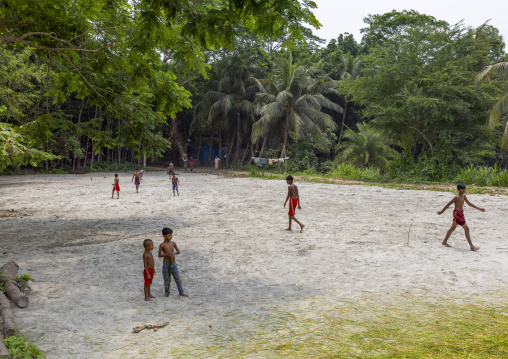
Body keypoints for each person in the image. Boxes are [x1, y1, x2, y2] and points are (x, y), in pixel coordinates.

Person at [437, 183, 485, 251]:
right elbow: (448, 204)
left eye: (464, 189)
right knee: (466, 228)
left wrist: (479, 208)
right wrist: (441, 211)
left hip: (460, 213)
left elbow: (469, 204)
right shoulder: (457, 197)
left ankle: (444, 242)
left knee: (453, 228)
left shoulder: (464, 196)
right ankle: (472, 246)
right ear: (459, 189)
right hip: (457, 214)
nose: (464, 190)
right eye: (462, 189)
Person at [158, 228, 187, 297]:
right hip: (166, 264)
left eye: (171, 235)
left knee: (178, 278)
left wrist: (175, 253)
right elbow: (159, 255)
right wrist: (166, 254)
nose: (170, 237)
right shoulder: (162, 245)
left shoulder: (173, 243)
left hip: (173, 264)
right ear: (164, 236)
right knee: (166, 279)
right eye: (169, 235)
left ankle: (181, 291)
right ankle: (167, 291)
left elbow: (178, 251)